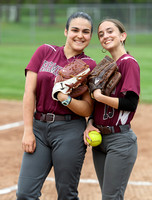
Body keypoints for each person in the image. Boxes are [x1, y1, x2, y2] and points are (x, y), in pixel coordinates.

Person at [16, 12, 96, 200]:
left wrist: (64, 98)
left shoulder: (88, 64)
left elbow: (87, 109)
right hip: (39, 129)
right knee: (25, 193)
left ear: (90, 36)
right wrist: (28, 130)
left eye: (86, 32)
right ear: (66, 31)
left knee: (66, 194)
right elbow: (29, 93)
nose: (80, 35)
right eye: (75, 30)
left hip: (69, 130)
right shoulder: (45, 51)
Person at [84, 18, 140, 200]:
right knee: (109, 196)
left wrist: (100, 96)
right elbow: (95, 105)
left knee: (110, 197)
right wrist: (90, 123)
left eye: (110, 31)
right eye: (101, 34)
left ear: (122, 36)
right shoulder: (104, 67)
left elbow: (131, 103)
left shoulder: (129, 63)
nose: (105, 36)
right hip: (99, 141)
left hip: (120, 141)